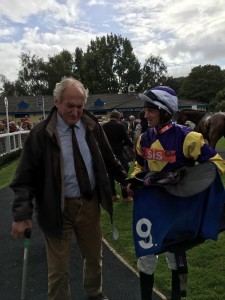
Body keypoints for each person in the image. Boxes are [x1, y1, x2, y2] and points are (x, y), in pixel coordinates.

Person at [10, 77, 128, 300]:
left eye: (80, 106)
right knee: (59, 270)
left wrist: (124, 180)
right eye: (70, 106)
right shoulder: (41, 134)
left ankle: (94, 293)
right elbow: (24, 178)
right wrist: (21, 214)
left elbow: (108, 158)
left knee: (94, 257)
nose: (75, 112)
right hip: (57, 208)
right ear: (56, 102)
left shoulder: (92, 127)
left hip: (89, 205)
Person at [127, 86, 225, 300]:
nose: (146, 114)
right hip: (151, 208)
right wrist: (135, 180)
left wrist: (188, 180)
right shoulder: (143, 139)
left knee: (175, 255)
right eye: (145, 109)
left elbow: (216, 164)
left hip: (177, 208)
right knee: (146, 257)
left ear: (165, 111)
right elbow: (139, 165)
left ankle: (176, 297)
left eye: (150, 109)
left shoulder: (188, 137)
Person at [102, 110, 133, 204]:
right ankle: (125, 196)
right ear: (119, 117)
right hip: (118, 152)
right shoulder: (120, 126)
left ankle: (113, 195)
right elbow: (128, 141)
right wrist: (121, 144)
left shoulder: (104, 126)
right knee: (123, 173)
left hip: (107, 153)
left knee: (110, 174)